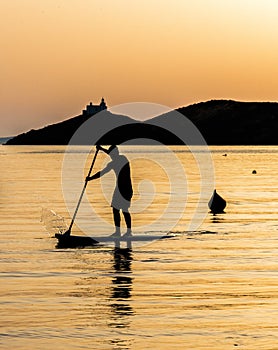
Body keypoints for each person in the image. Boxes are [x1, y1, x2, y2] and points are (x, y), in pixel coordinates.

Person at [86, 145, 133, 237]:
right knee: (115, 210)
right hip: (118, 189)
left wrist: (102, 149)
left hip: (126, 189)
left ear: (116, 153)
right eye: (111, 155)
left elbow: (112, 154)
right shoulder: (112, 163)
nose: (111, 156)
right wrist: (90, 178)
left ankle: (128, 232)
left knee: (124, 210)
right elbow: (101, 173)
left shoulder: (123, 159)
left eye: (112, 154)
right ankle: (118, 232)